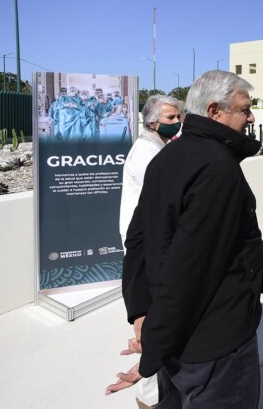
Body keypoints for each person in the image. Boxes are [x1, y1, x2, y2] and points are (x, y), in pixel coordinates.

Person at [120, 70, 263, 408]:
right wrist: (152, 349)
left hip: (176, 339)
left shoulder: (167, 156)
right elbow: (190, 270)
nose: (251, 116)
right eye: (245, 109)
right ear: (215, 111)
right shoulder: (219, 170)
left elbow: (137, 240)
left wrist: (142, 312)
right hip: (215, 348)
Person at [108, 95, 183, 408]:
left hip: (150, 244)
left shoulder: (156, 147)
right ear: (153, 122)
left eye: (178, 115)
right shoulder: (148, 154)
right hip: (146, 249)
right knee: (153, 322)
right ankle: (148, 396)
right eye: (170, 117)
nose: (177, 121)